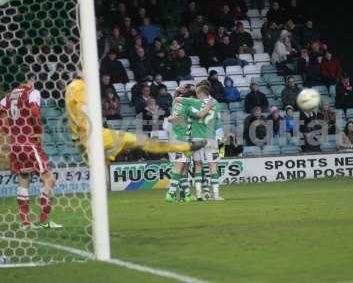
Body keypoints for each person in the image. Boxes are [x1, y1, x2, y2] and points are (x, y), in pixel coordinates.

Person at [65, 77, 207, 163]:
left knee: (101, 169)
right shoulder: (79, 87)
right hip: (94, 136)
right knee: (145, 142)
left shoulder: (72, 89)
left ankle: (187, 147)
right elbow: (83, 110)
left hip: (83, 140)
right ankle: (187, 147)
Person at [0, 74, 62, 229]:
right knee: (49, 180)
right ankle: (43, 219)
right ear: (29, 80)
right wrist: (39, 130)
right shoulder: (32, 93)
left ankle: (25, 222)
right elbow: (34, 110)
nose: (33, 83)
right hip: (29, 142)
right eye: (33, 80)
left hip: (15, 144)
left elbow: (1, 113)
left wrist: (7, 129)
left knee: (23, 180)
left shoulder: (8, 97)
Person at [175, 84, 223, 201]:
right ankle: (215, 195)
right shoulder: (216, 103)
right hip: (211, 137)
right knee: (213, 166)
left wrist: (179, 91)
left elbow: (177, 99)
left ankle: (199, 194)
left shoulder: (194, 102)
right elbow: (218, 123)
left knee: (198, 165)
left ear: (199, 93)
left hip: (196, 138)